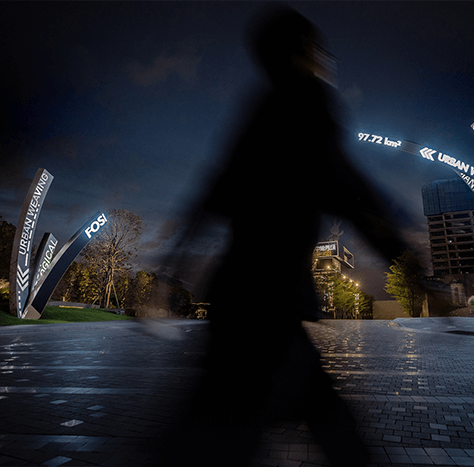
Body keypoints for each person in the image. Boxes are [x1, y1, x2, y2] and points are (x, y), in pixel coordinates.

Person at [162, 6, 410, 466]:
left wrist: (171, 264)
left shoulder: (257, 110)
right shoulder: (307, 101)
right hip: (270, 303)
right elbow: (347, 187)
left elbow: (215, 189)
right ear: (303, 51)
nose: (324, 61)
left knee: (228, 428)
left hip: (241, 297)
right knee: (313, 424)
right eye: (318, 50)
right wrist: (402, 254)